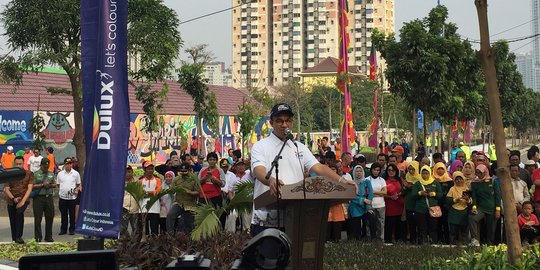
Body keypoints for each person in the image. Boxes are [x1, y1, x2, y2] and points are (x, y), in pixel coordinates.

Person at [250, 103, 355, 236]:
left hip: (295, 217)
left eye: (288, 121)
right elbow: (258, 170)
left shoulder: (298, 146)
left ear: (292, 122)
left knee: (296, 256)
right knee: (268, 256)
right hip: (266, 219)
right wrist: (270, 180)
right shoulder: (261, 146)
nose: (284, 125)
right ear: (271, 123)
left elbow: (318, 167)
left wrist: (342, 181)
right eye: (279, 121)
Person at [3, 156, 34, 244]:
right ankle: (14, 239)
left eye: (20, 164)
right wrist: (13, 198)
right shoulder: (9, 174)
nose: (18, 165)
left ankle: (19, 237)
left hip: (23, 199)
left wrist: (23, 201)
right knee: (12, 219)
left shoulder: (29, 174)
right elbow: (6, 188)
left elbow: (29, 188)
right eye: (16, 164)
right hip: (11, 200)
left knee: (19, 213)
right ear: (14, 164)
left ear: (23, 164)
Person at [469, 164, 501, 246]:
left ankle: (490, 245)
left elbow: (497, 196)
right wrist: (474, 207)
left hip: (492, 208)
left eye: (480, 173)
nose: (478, 174)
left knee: (491, 229)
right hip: (481, 208)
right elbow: (474, 196)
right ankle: (475, 240)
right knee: (472, 218)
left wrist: (498, 210)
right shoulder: (474, 183)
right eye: (477, 172)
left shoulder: (492, 181)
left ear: (485, 172)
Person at [166, 162, 200, 233]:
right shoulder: (176, 179)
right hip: (179, 203)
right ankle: (170, 235)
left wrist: (189, 192)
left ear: (189, 170)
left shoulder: (194, 179)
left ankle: (190, 239)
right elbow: (171, 192)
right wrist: (171, 190)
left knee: (189, 224)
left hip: (190, 204)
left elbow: (198, 192)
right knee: (170, 215)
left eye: (185, 171)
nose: (183, 173)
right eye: (182, 171)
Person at [412, 165, 442, 244]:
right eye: (423, 173)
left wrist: (434, 194)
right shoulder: (417, 184)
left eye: (427, 173)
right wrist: (420, 193)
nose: (425, 175)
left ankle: (433, 243)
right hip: (420, 209)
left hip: (433, 209)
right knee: (422, 228)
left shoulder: (435, 183)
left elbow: (441, 195)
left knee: (433, 227)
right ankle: (422, 244)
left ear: (430, 173)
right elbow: (413, 196)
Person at [348, 165, 377, 240]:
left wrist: (368, 206)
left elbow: (370, 193)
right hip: (355, 205)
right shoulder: (351, 183)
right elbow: (352, 196)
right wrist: (362, 200)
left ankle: (373, 238)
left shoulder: (367, 181)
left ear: (363, 172)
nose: (359, 173)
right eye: (357, 171)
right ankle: (358, 240)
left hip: (366, 205)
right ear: (354, 172)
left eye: (360, 171)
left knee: (372, 218)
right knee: (356, 224)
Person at [32, 157, 57, 242]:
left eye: (47, 166)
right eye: (44, 167)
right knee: (38, 218)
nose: (46, 168)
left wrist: (49, 185)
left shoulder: (51, 174)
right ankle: (38, 236)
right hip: (38, 198)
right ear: (41, 165)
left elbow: (55, 184)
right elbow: (33, 186)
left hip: (48, 197)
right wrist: (42, 184)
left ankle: (48, 236)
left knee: (50, 217)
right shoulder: (36, 174)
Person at [56, 157, 80, 235]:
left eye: (70, 164)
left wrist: (75, 191)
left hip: (72, 198)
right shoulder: (60, 174)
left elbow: (78, 184)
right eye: (67, 164)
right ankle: (63, 229)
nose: (68, 165)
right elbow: (58, 184)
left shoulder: (75, 173)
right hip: (63, 197)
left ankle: (72, 229)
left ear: (71, 164)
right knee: (64, 214)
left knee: (72, 214)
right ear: (64, 165)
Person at [446, 171, 471, 245]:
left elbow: (470, 202)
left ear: (463, 179)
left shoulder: (466, 189)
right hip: (454, 212)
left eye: (460, 179)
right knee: (453, 232)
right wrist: (455, 200)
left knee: (464, 232)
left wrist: (467, 199)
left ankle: (464, 246)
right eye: (457, 179)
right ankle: (452, 246)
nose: (459, 181)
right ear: (454, 180)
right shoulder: (452, 189)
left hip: (464, 212)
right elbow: (447, 200)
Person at [139, 160, 162, 236]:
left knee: (154, 229)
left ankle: (154, 245)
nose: (150, 170)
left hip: (155, 208)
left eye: (151, 168)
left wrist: (148, 193)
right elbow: (139, 192)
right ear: (145, 170)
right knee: (144, 230)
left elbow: (158, 191)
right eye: (148, 168)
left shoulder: (158, 180)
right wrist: (151, 193)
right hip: (143, 208)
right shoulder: (140, 181)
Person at [433, 162, 453, 244]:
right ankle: (438, 240)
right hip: (436, 205)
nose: (440, 171)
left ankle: (447, 241)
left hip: (446, 206)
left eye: (442, 169)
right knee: (437, 224)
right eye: (438, 169)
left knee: (446, 224)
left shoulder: (449, 181)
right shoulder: (432, 180)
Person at [383, 163, 404, 243]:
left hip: (399, 206)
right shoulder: (384, 181)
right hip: (389, 206)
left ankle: (398, 240)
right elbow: (382, 194)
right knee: (389, 225)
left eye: (393, 170)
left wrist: (400, 194)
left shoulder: (400, 180)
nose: (391, 172)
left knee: (398, 225)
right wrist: (390, 197)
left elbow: (403, 190)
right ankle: (388, 241)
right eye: (389, 170)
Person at [367, 162, 386, 241]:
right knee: (369, 223)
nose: (376, 172)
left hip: (381, 205)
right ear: (371, 170)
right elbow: (366, 192)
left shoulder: (382, 180)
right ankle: (369, 239)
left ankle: (381, 239)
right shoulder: (367, 179)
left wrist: (372, 192)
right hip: (370, 205)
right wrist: (379, 193)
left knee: (381, 223)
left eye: (378, 170)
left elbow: (384, 192)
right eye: (374, 170)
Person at [403, 161, 421, 244]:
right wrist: (405, 187)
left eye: (413, 169)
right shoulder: (407, 177)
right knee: (410, 223)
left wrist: (411, 186)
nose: (411, 171)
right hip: (409, 203)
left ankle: (420, 240)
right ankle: (412, 240)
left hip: (417, 204)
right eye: (409, 169)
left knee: (419, 223)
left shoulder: (420, 179)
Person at [121, 166, 140, 238]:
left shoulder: (137, 181)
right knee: (123, 228)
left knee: (136, 228)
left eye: (129, 172)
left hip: (135, 208)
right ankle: (124, 243)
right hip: (124, 208)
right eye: (125, 172)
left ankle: (135, 245)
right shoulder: (120, 182)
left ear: (132, 172)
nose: (127, 174)